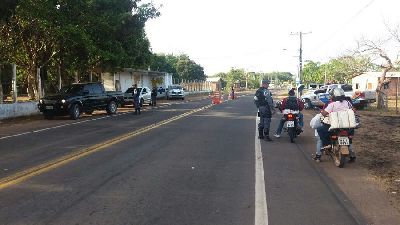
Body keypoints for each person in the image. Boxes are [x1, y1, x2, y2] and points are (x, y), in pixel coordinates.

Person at [317, 87, 356, 161]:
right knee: (349, 140)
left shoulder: (332, 104)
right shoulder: (347, 102)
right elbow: (353, 110)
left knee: (320, 129)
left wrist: (322, 111)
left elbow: (325, 113)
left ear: (333, 95)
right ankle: (352, 156)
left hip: (335, 126)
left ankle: (327, 144)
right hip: (347, 126)